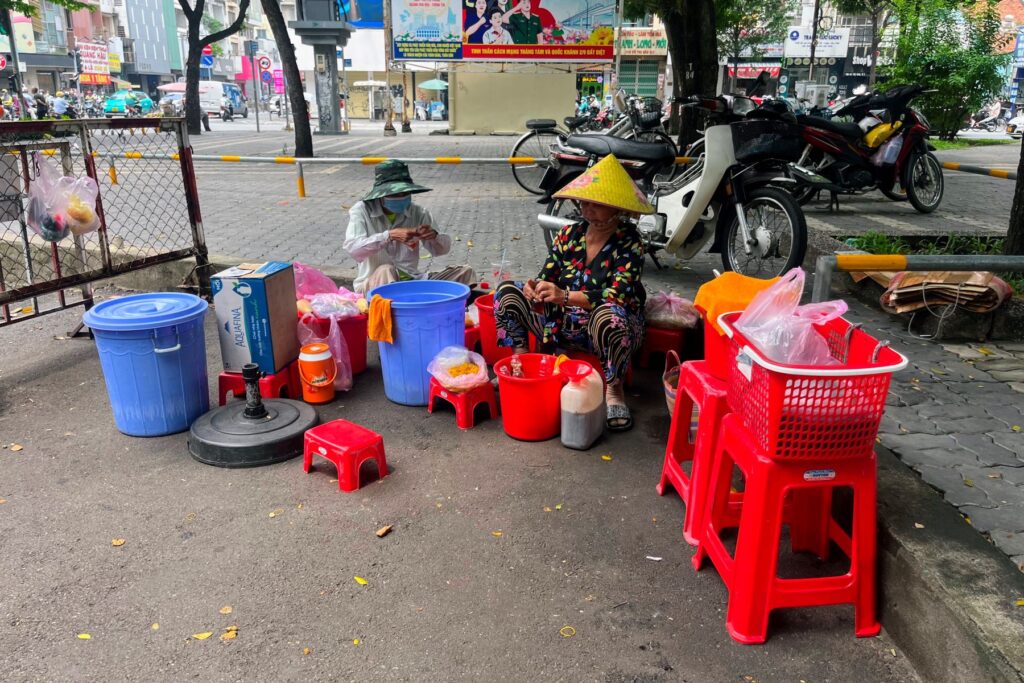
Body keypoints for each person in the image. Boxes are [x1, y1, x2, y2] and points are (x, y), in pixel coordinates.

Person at [494, 154, 651, 431]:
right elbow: (549, 274)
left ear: (617, 208)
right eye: (584, 203)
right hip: (559, 323)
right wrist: (537, 289)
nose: (587, 210)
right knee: (507, 292)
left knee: (609, 317)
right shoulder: (570, 234)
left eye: (596, 205)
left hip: (605, 329)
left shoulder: (631, 242)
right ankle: (520, 361)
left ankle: (613, 390)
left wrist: (565, 297)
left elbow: (618, 295)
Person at [343, 159, 475, 295]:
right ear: (381, 195)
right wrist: (389, 235)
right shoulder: (361, 210)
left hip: (413, 283)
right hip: (375, 283)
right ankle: (398, 307)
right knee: (386, 270)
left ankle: (419, 301)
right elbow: (353, 249)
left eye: (405, 193)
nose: (401, 198)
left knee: (465, 273)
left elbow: (441, 251)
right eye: (394, 194)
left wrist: (434, 236)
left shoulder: (418, 212)